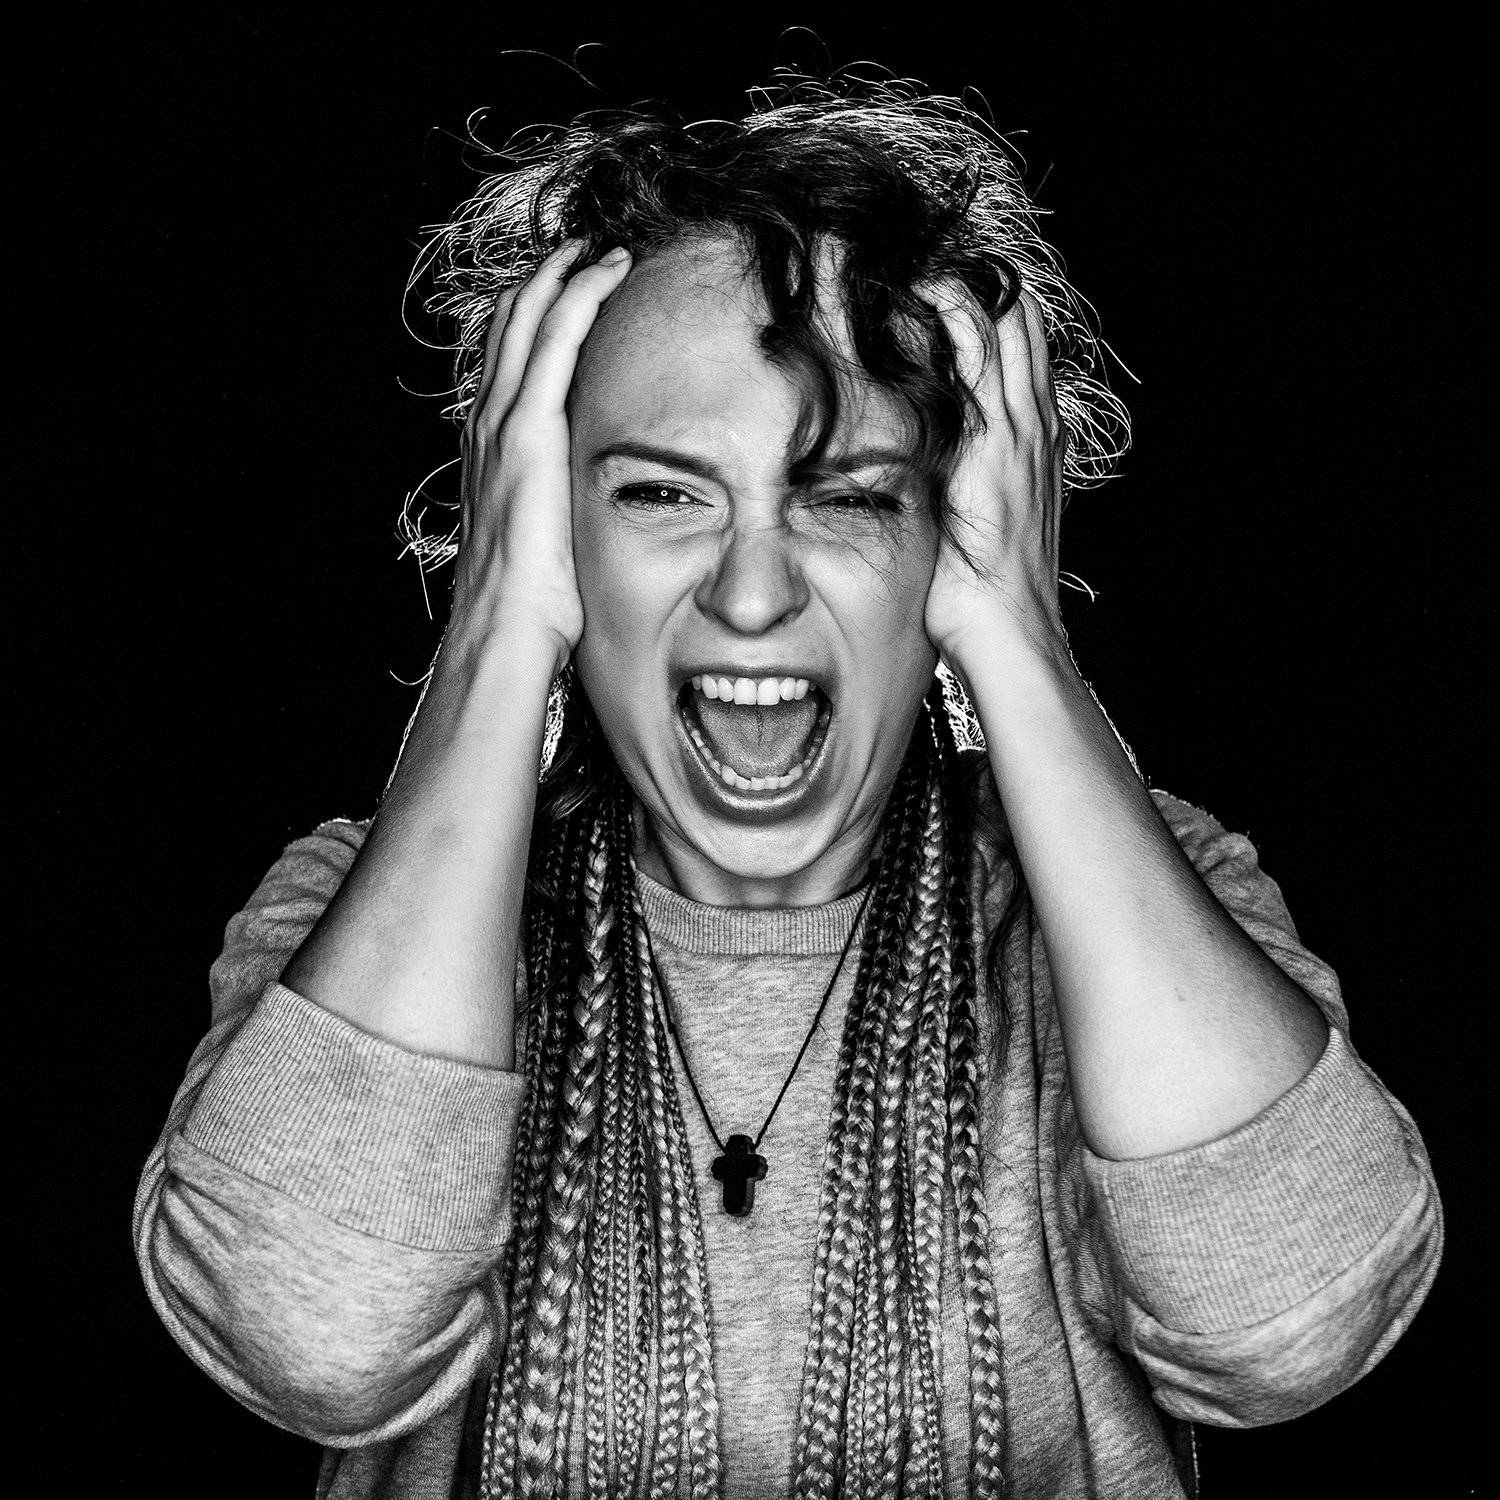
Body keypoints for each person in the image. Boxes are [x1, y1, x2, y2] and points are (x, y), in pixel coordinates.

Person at [133, 75, 1442, 1499]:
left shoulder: (1157, 896)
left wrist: (1018, 638)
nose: (752, 594)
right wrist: (497, 630)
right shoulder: (347, 907)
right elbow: (313, 1342)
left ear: (957, 534)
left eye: (851, 496)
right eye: (659, 492)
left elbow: (1289, 1329)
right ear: (548, 530)